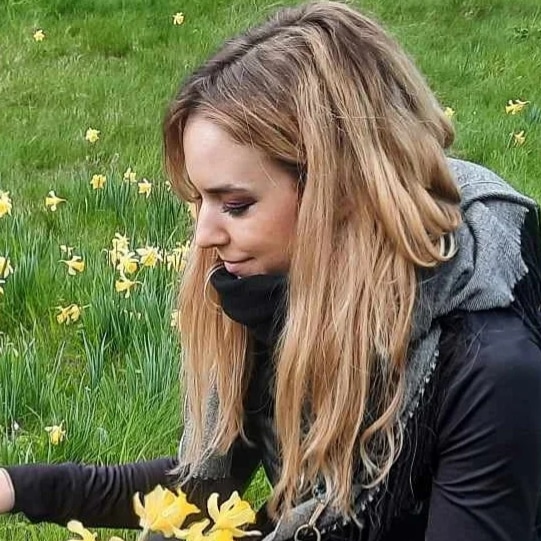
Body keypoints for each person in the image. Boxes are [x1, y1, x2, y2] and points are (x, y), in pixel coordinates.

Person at [2, 2, 541, 540]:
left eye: (234, 204)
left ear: (338, 192)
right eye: (199, 200)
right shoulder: (269, 289)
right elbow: (196, 494)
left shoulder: (485, 366)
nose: (204, 235)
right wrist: (18, 487)